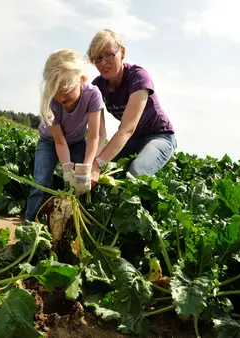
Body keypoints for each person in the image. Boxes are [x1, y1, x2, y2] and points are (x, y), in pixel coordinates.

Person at [86, 29, 177, 183]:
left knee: (136, 172)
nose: (103, 63)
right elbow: (99, 134)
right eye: (97, 58)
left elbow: (127, 129)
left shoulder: (138, 77)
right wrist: (92, 164)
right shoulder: (97, 86)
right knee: (107, 173)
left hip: (159, 136)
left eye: (108, 55)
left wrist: (98, 164)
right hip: (132, 140)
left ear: (122, 52)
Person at [24, 49, 105, 222]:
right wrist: (67, 168)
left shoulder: (93, 95)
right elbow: (59, 141)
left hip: (76, 142)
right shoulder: (52, 101)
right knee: (41, 182)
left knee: (85, 184)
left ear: (81, 80)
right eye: (56, 91)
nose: (61, 96)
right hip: (49, 142)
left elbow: (93, 137)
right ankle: (30, 232)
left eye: (66, 90)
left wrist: (86, 167)